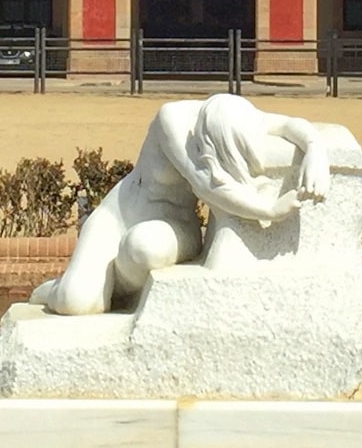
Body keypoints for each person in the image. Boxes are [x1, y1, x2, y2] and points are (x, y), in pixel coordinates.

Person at [29, 93, 330, 316]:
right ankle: (59, 288)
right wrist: (270, 210)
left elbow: (292, 125)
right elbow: (209, 186)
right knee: (74, 302)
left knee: (142, 247)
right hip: (118, 214)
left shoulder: (240, 117)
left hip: (172, 227)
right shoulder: (171, 120)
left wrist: (316, 150)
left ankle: (112, 288)